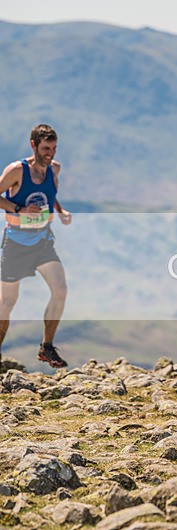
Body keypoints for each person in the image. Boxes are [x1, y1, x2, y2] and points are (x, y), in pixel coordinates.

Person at [0, 124, 72, 368]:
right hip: (16, 243)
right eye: (45, 148)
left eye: (53, 148)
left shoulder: (54, 169)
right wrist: (19, 209)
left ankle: (47, 347)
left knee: (60, 290)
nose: (49, 153)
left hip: (42, 242)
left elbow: (50, 194)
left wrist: (61, 211)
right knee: (6, 304)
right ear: (33, 145)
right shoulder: (17, 170)